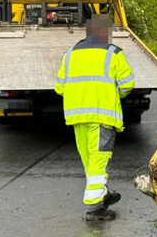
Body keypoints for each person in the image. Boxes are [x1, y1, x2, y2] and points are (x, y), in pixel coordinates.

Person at [55, 15, 136, 221]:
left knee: (90, 162)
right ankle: (94, 210)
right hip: (102, 116)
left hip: (77, 117)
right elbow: (127, 84)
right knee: (99, 163)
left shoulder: (70, 54)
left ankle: (102, 195)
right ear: (106, 33)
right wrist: (110, 93)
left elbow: (60, 87)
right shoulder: (113, 53)